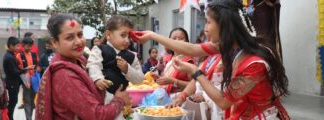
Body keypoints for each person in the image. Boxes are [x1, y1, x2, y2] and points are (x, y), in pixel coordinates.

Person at [135, 0, 290, 119]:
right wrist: (152, 35)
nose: (205, 28)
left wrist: (195, 72)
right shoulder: (226, 47)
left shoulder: (254, 63)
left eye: (208, 22)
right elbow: (191, 49)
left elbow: (223, 101)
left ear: (224, 24)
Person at [35, 13, 130, 120]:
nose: (78, 42)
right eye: (69, 37)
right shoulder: (65, 75)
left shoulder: (80, 61)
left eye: (80, 35)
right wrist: (119, 100)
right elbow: (97, 115)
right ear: (55, 42)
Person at [87, 15, 144, 119]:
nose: (127, 40)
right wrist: (98, 79)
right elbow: (93, 65)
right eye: (123, 35)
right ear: (108, 34)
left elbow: (140, 79)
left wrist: (127, 69)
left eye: (129, 37)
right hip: (102, 96)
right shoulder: (99, 49)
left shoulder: (131, 56)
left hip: (121, 99)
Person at [156, 28, 195, 99]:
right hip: (165, 98)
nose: (177, 41)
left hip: (180, 100)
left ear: (187, 41)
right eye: (174, 38)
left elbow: (194, 86)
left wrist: (174, 81)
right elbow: (166, 78)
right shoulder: (168, 58)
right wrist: (158, 78)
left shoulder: (189, 61)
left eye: (181, 38)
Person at [3, 37, 34, 120]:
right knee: (13, 102)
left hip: (14, 82)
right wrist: (26, 69)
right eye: (17, 46)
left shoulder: (11, 55)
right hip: (12, 83)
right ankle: (9, 117)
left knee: (14, 101)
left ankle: (10, 117)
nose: (18, 48)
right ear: (11, 46)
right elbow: (15, 72)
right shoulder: (10, 57)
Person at [16, 37, 40, 120]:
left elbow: (37, 65)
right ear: (23, 45)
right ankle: (29, 118)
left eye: (31, 46)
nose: (29, 48)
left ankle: (29, 117)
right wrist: (27, 68)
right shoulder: (19, 56)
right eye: (28, 46)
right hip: (25, 81)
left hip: (34, 81)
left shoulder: (34, 54)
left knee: (32, 101)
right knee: (27, 101)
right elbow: (18, 69)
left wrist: (37, 70)